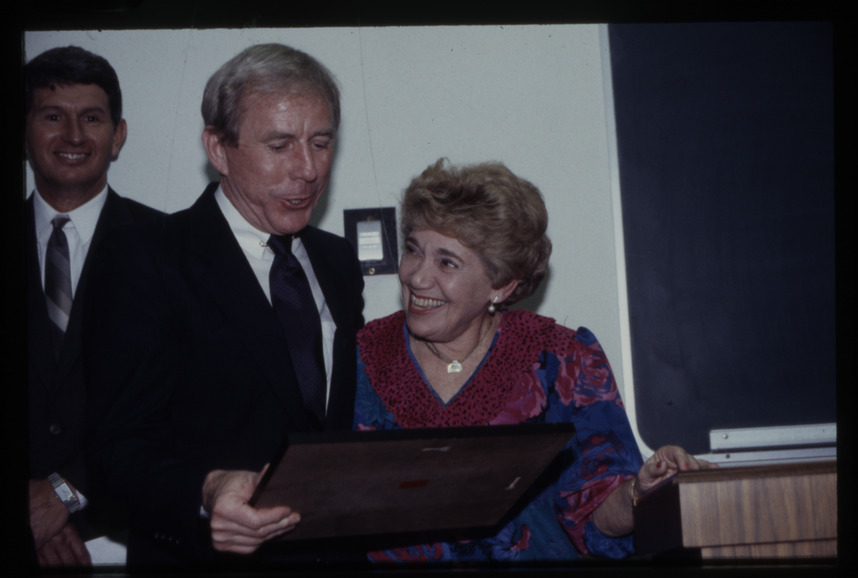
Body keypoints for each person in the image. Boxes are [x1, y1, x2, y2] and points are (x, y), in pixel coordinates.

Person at [83, 43, 365, 566]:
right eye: (280, 145)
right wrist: (207, 491)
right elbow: (111, 454)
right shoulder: (147, 256)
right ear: (218, 149)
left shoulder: (337, 261)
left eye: (321, 142)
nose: (307, 169)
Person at [354, 158, 713, 562]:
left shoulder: (563, 362)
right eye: (413, 251)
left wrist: (640, 493)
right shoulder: (358, 359)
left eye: (447, 262)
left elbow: (599, 520)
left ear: (501, 285)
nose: (417, 277)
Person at [24, 45, 164, 567]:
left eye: (92, 118)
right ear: (23, 130)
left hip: (130, 535)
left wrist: (65, 492)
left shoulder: (174, 246)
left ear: (118, 135)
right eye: (53, 117)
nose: (75, 136)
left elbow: (185, 396)